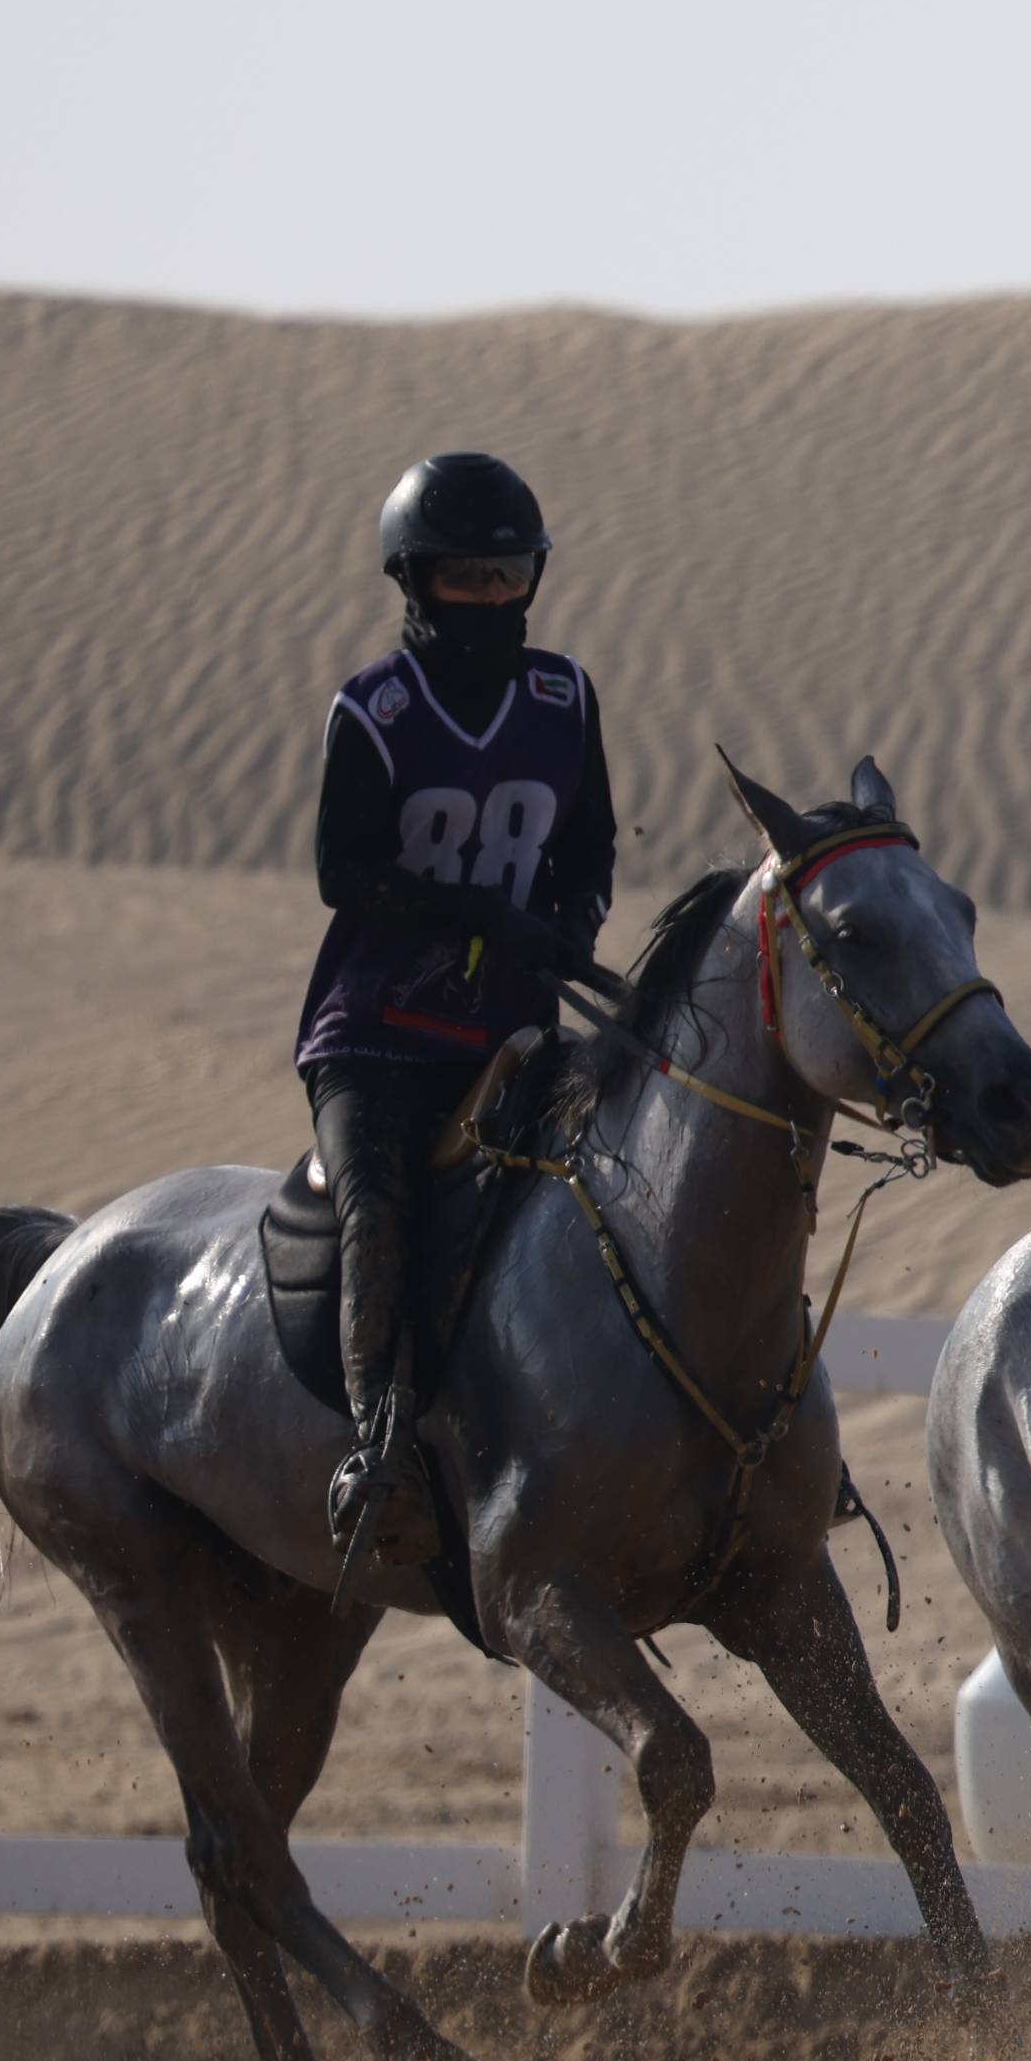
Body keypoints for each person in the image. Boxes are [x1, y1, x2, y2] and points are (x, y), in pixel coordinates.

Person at [295, 450, 617, 1562]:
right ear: (414, 581)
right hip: (376, 1036)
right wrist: (483, 921)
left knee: (615, 1189)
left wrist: (568, 929)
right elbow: (345, 871)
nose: (491, 598)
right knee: (376, 1212)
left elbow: (591, 848)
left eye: (508, 576)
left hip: (513, 1031)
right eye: (465, 579)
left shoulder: (563, 698)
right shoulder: (373, 712)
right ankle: (375, 1452)